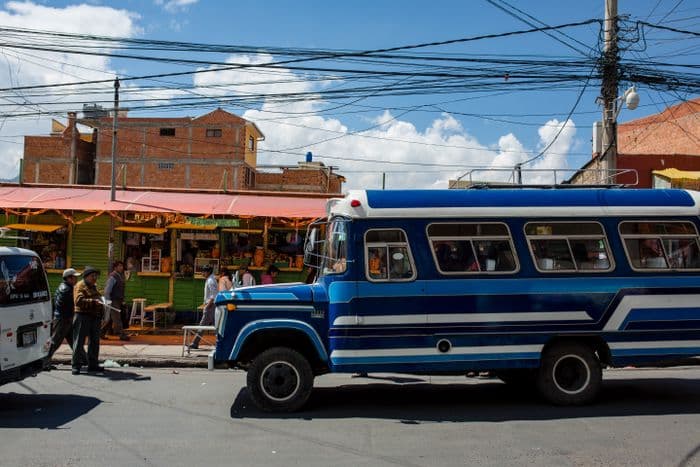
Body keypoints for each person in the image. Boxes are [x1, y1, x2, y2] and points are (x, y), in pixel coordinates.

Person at [72, 266, 104, 375]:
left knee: (94, 342)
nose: (95, 278)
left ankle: (93, 364)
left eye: (96, 276)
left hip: (94, 317)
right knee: (79, 342)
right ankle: (76, 366)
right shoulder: (80, 285)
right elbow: (78, 301)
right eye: (92, 276)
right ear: (86, 277)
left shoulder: (93, 286)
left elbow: (98, 298)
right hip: (82, 316)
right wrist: (94, 302)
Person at [47, 268, 81, 360]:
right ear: (68, 278)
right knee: (55, 341)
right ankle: (45, 361)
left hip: (66, 319)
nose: (76, 279)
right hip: (63, 319)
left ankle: (83, 359)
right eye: (74, 277)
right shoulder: (66, 290)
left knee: (74, 341)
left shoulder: (65, 287)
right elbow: (70, 305)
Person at [188, 264, 217, 350]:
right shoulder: (210, 279)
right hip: (211, 306)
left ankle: (195, 343)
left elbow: (213, 296)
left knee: (203, 325)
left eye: (203, 272)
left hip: (211, 306)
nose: (202, 274)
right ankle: (195, 343)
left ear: (208, 272)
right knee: (216, 326)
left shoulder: (211, 280)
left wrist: (207, 306)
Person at [101, 261, 129, 341]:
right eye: (119, 266)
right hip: (112, 300)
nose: (121, 268)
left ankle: (101, 332)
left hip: (117, 300)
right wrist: (108, 302)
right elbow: (107, 290)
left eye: (122, 266)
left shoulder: (120, 276)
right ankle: (121, 334)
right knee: (117, 318)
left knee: (109, 318)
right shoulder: (113, 276)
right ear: (115, 267)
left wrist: (122, 299)